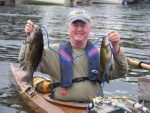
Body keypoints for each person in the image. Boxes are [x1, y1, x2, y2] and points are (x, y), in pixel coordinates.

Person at [18, 9, 128, 102]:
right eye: (75, 25)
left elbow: (121, 71)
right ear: (68, 28)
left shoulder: (101, 54)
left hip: (95, 107)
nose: (79, 29)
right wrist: (29, 37)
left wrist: (116, 47)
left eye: (83, 25)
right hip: (62, 107)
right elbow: (25, 62)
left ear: (89, 29)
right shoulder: (51, 52)